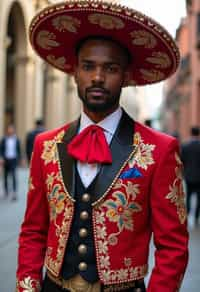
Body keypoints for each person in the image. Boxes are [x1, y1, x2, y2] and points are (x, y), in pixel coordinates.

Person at [16, 1, 189, 292]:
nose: (97, 77)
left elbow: (173, 248)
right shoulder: (45, 146)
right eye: (88, 66)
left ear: (125, 76)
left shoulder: (159, 150)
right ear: (75, 73)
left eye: (110, 68)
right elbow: (33, 232)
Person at [181, 126, 200, 225]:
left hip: (188, 175)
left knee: (188, 196)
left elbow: (181, 160)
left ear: (191, 133)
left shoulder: (185, 146)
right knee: (199, 196)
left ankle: (187, 215)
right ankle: (196, 216)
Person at [0, 124, 21, 200]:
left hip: (13, 160)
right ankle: (6, 191)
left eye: (11, 129)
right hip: (6, 160)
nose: (10, 130)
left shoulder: (16, 139)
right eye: (9, 129)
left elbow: (19, 150)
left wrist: (19, 159)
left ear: (13, 130)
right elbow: (1, 149)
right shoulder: (4, 139)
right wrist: (1, 158)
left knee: (14, 176)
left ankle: (14, 192)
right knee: (5, 176)